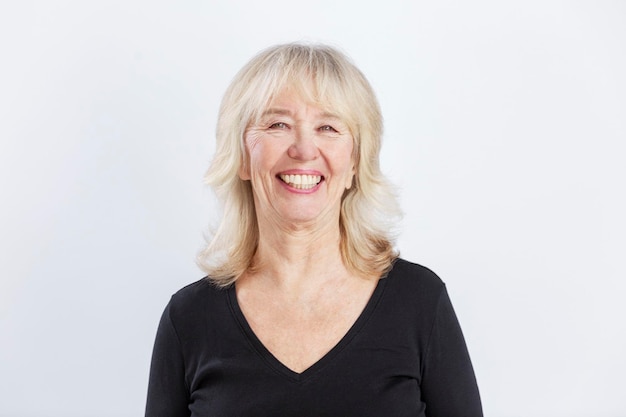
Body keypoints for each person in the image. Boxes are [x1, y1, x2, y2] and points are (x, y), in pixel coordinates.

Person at [145, 43, 483, 417]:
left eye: (327, 127)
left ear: (355, 161)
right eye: (278, 125)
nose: (304, 149)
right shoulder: (189, 318)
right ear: (241, 157)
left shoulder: (419, 302)